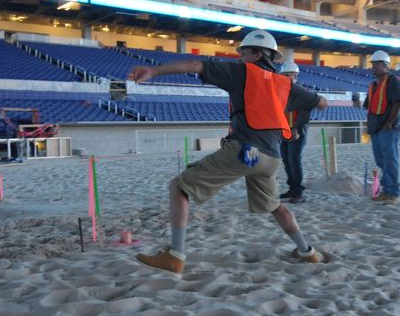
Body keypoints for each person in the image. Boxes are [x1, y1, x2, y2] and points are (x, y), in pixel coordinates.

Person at [129, 30, 329, 274]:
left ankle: (175, 256)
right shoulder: (285, 84)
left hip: (246, 151)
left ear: (257, 54)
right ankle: (308, 252)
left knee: (179, 187)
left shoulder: (242, 72)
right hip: (272, 157)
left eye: (243, 52)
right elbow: (321, 103)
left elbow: (195, 64)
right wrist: (294, 117)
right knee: (276, 206)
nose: (239, 57)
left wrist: (154, 71)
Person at [363, 50, 400, 204]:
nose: (373, 68)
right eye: (373, 64)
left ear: (385, 65)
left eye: (377, 65)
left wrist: (389, 122)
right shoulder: (373, 85)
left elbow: (398, 102)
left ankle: (392, 192)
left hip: (388, 127)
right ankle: (388, 188)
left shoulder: (394, 81)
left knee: (390, 159)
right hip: (376, 127)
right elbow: (369, 106)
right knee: (381, 160)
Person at [277, 61, 311, 204]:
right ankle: (292, 188)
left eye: (287, 75)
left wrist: (296, 128)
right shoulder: (280, 92)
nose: (284, 77)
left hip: (297, 130)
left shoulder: (300, 91)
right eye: (283, 75)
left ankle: (298, 192)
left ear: (294, 75)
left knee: (294, 161)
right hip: (284, 131)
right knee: (286, 160)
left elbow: (305, 113)